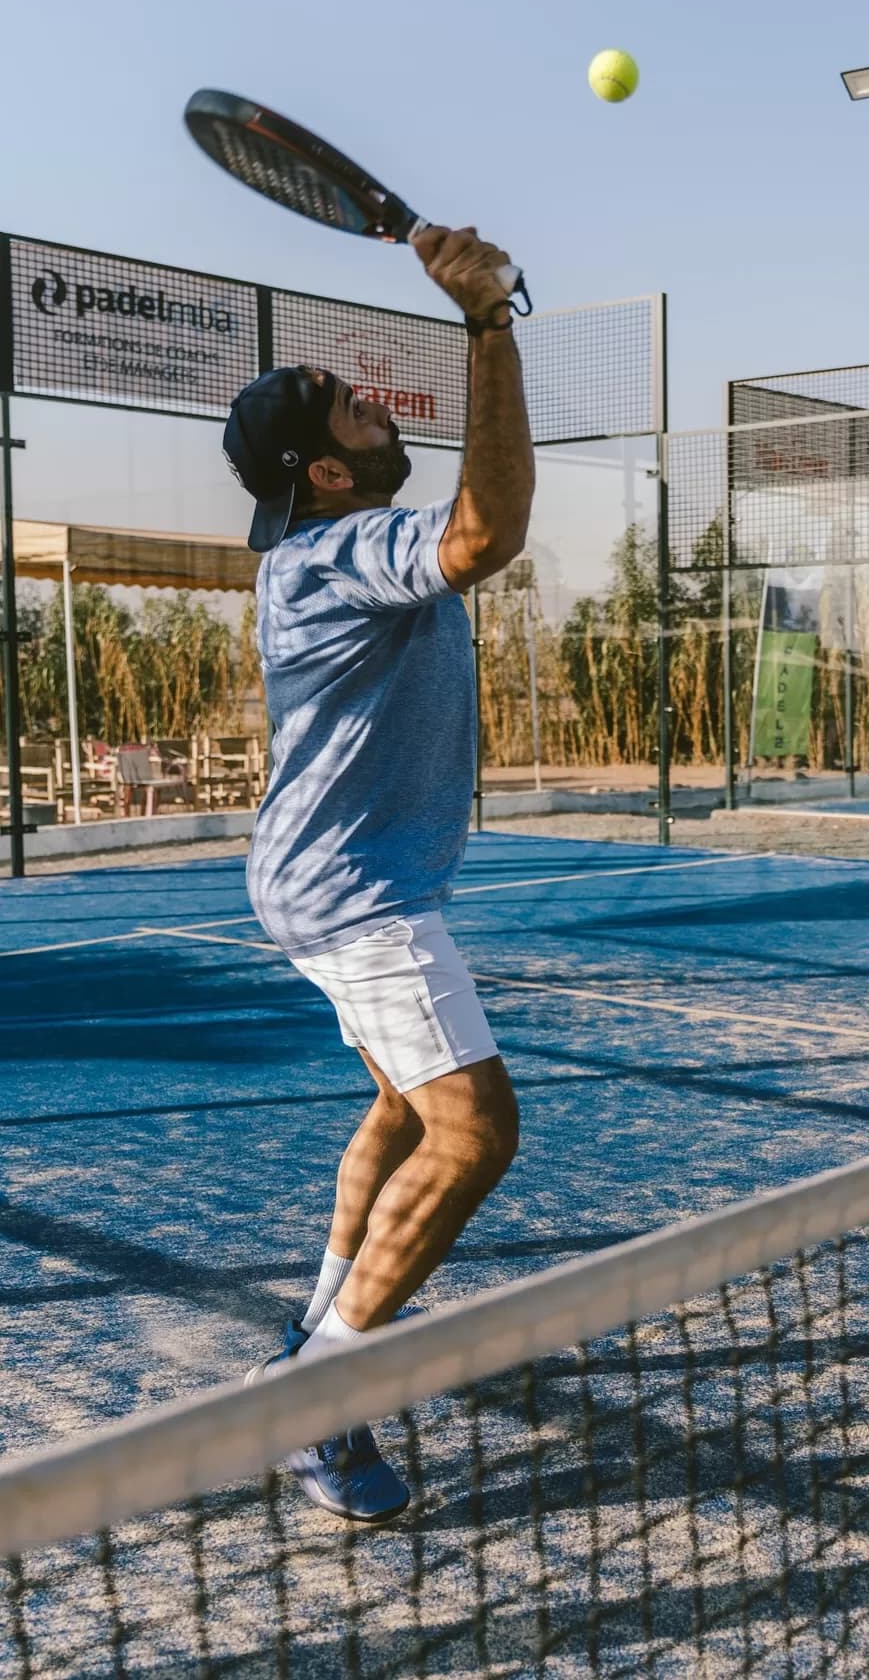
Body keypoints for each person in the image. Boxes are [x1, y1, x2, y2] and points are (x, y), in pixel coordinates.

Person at [223, 227, 534, 1524]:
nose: (377, 401)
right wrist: (485, 325)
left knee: (407, 1114)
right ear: (327, 465)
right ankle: (325, 1400)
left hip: (319, 878)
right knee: (475, 1129)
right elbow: (487, 531)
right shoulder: (340, 552)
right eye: (356, 404)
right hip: (356, 891)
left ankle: (313, 1344)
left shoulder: (325, 550)